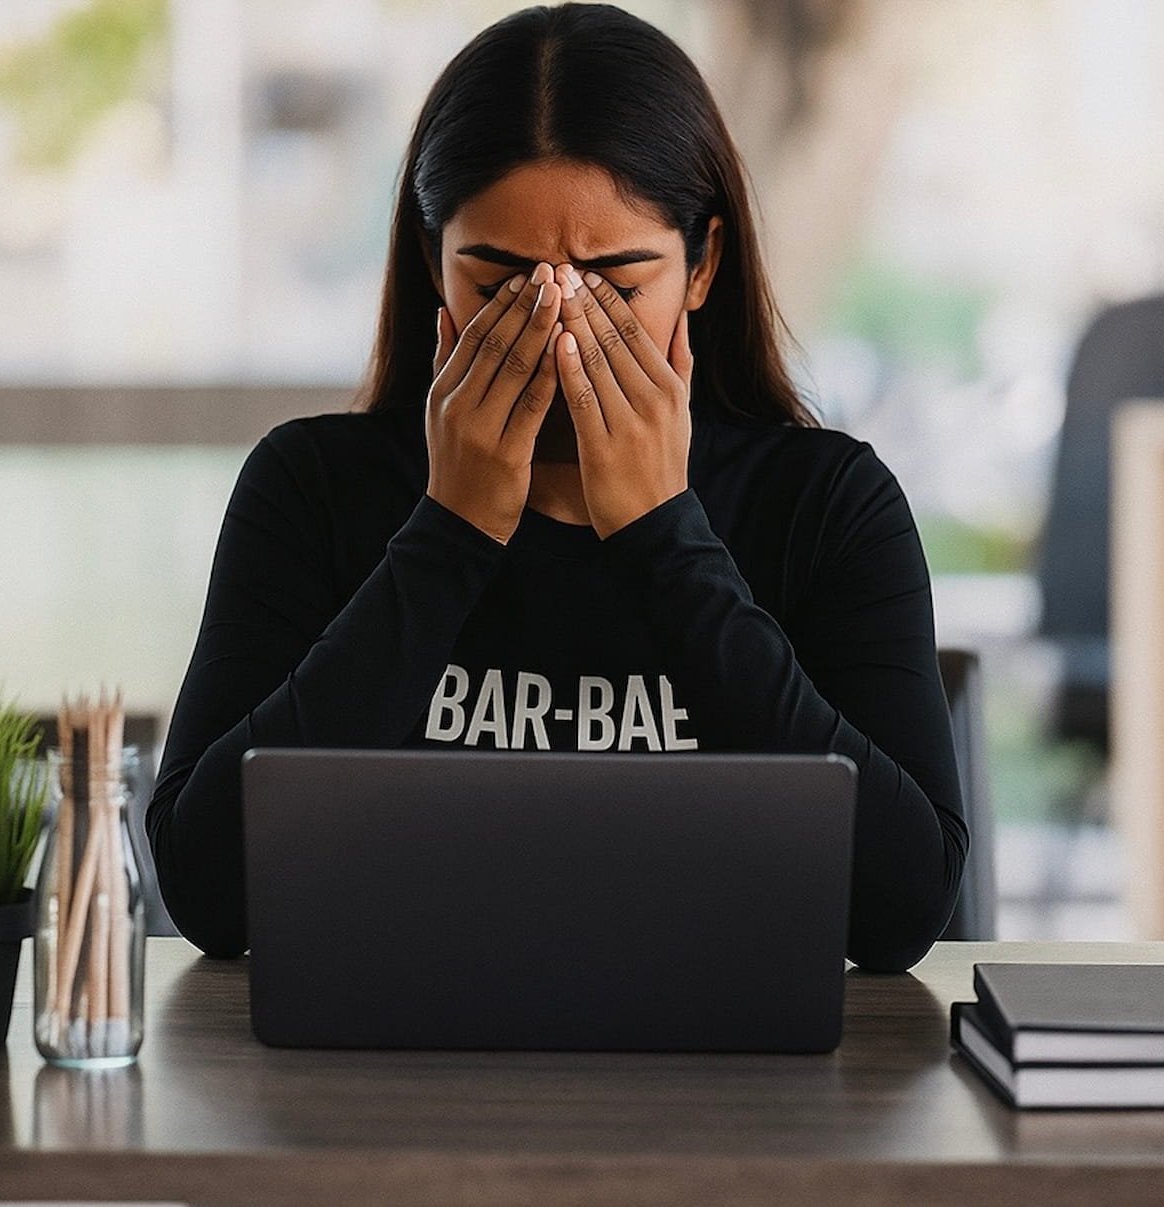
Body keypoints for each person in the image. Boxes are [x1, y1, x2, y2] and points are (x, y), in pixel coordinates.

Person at [147, 2, 968, 972]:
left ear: (702, 265)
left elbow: (902, 908)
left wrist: (666, 535)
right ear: (433, 263)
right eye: (500, 283)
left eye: (616, 283)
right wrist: (449, 532)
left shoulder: (827, 506)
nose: (559, 330)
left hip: (725, 1054)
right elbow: (206, 889)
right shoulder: (312, 488)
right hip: (393, 1046)